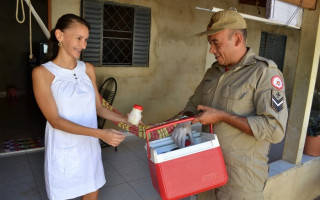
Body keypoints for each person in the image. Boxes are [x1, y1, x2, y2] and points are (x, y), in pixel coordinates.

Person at [172, 9, 288, 200]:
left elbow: (274, 129)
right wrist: (185, 120)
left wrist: (223, 117)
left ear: (237, 39)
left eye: (215, 43)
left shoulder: (264, 73)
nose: (211, 50)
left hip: (241, 181)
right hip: (206, 171)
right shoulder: (213, 72)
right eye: (210, 44)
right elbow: (194, 103)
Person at [32, 14, 127, 200]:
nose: (83, 45)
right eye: (78, 38)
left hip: (89, 148)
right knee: (62, 193)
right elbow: (55, 120)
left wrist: (126, 118)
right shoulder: (43, 73)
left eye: (86, 40)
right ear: (60, 35)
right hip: (64, 148)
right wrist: (100, 134)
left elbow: (98, 108)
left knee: (91, 191)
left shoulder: (87, 69)